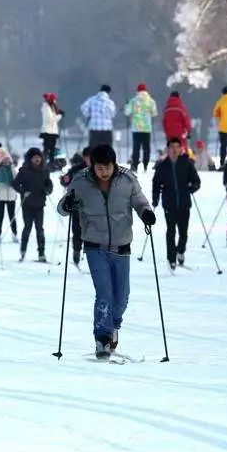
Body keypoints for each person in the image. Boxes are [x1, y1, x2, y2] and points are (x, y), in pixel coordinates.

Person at [57, 143, 154, 359]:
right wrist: (68, 204)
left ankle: (113, 326)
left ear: (114, 164)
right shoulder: (81, 181)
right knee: (104, 294)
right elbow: (61, 208)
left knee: (122, 297)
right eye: (99, 168)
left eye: (107, 167)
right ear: (93, 165)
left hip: (121, 246)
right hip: (94, 246)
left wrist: (146, 212)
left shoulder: (127, 179)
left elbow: (139, 200)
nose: (104, 172)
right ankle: (102, 338)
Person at [152, 137, 201, 269]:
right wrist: (155, 198)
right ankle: (171, 258)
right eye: (171, 147)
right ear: (168, 149)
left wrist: (192, 188)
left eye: (176, 147)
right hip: (169, 204)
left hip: (184, 203)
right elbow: (156, 183)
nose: (174, 150)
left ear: (180, 149)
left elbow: (196, 180)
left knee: (183, 233)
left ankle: (180, 250)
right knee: (171, 232)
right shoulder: (162, 166)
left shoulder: (187, 163)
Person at [12, 147, 53, 262]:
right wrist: (23, 192)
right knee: (27, 228)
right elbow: (15, 184)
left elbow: (49, 185)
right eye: (34, 157)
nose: (37, 159)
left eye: (39, 157)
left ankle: (41, 253)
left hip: (40, 205)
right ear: (30, 159)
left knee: (40, 229)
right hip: (27, 205)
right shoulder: (24, 171)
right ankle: (23, 251)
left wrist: (47, 190)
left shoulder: (44, 171)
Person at [60, 147, 91, 265]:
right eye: (87, 157)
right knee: (77, 230)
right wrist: (65, 180)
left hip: (94, 205)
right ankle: (76, 251)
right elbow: (66, 181)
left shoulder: (99, 169)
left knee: (91, 230)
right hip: (77, 204)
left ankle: (91, 253)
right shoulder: (76, 169)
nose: (89, 159)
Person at [124, 84, 158, 172]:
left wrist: (126, 104)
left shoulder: (133, 101)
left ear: (137, 91)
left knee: (136, 148)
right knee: (146, 148)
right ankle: (146, 165)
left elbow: (127, 112)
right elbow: (154, 113)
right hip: (147, 129)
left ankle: (135, 165)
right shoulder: (151, 101)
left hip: (136, 128)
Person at [0, 147, 18, 244]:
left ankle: (14, 234)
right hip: (0, 195)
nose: (6, 161)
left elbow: (16, 179)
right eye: (4, 159)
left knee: (12, 216)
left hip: (11, 195)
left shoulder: (12, 168)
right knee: (0, 216)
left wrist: (17, 186)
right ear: (1, 160)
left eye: (7, 159)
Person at [40, 93, 64, 165]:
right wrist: (60, 115)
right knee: (47, 149)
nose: (55, 101)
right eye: (54, 100)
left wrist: (59, 112)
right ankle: (44, 163)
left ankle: (51, 162)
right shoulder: (46, 108)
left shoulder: (51, 107)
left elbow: (54, 115)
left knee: (51, 149)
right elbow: (51, 119)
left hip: (52, 131)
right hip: (48, 131)